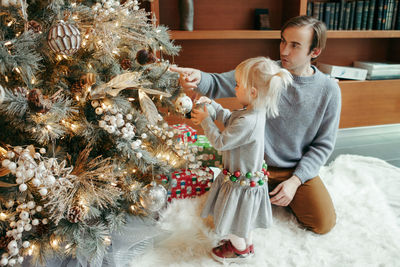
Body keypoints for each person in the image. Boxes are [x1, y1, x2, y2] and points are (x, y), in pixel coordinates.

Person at [170, 15, 341, 235]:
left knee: (323, 224)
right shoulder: (264, 71)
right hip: (252, 167)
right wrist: (197, 77)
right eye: (283, 41)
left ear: (314, 52)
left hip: (294, 170)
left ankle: (279, 195)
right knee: (228, 219)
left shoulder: (329, 90)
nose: (284, 51)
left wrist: (296, 182)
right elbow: (218, 82)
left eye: (295, 45)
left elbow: (323, 146)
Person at [191, 56, 292, 263]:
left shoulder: (248, 122)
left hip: (241, 184)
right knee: (245, 220)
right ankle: (247, 245)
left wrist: (206, 121)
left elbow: (220, 142)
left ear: (252, 92)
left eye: (238, 85)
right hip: (247, 179)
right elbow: (230, 119)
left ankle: (239, 250)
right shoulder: (253, 112)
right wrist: (214, 107)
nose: (235, 88)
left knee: (235, 221)